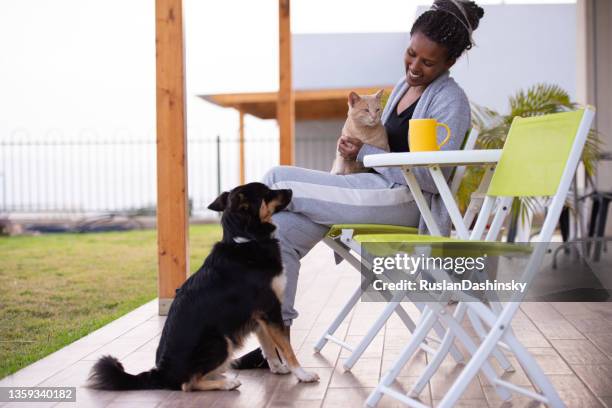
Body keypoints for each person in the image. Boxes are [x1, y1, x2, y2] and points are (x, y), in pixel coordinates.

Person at [233, 0, 485, 369]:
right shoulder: (401, 87)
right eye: (411, 54)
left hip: (408, 202)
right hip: (373, 188)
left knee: (275, 186)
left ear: (449, 63)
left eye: (427, 63)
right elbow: (381, 143)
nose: (415, 67)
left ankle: (226, 285)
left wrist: (364, 153)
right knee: (280, 226)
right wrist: (357, 152)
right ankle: (276, 344)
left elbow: (434, 178)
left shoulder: (450, 100)